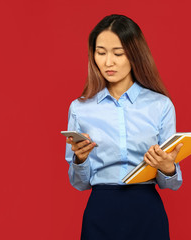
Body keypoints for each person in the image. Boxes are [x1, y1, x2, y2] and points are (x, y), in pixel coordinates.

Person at [65, 14, 183, 240]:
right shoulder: (80, 109)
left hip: (146, 211)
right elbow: (79, 183)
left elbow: (172, 184)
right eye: (101, 53)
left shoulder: (160, 105)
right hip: (101, 211)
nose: (108, 62)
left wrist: (168, 168)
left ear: (135, 54)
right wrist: (80, 160)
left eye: (118, 53)